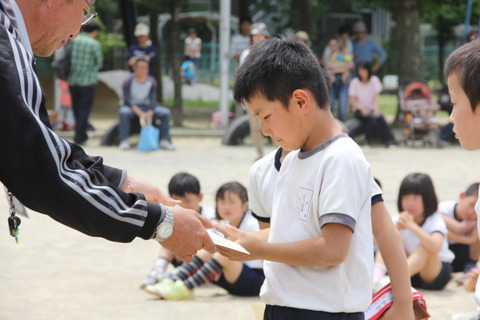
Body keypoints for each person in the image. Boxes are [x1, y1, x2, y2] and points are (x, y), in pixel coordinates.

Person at [0, 0, 214, 263]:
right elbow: (43, 171)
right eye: (84, 12)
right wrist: (159, 222)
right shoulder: (6, 51)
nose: (77, 30)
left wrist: (120, 181)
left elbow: (41, 147)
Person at [220, 37, 379, 319]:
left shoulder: (341, 158)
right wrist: (239, 238)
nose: (265, 130)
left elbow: (332, 249)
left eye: (266, 115)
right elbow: (290, 233)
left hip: (323, 312)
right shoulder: (292, 158)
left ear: (300, 100)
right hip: (283, 306)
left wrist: (259, 249)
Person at [145, 182, 264, 300]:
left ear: (245, 206)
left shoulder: (252, 224)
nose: (226, 207)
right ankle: (172, 280)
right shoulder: (225, 223)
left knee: (221, 252)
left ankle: (186, 287)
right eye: (222, 202)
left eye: (231, 202)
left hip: (255, 279)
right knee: (211, 246)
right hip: (232, 277)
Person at [375, 173, 454, 291]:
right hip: (411, 272)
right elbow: (375, 241)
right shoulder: (398, 219)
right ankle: (376, 277)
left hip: (434, 272)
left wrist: (412, 227)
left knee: (425, 247)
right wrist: (394, 230)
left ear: (427, 199)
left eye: (415, 198)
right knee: (386, 241)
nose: (410, 203)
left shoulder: (434, 219)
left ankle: (391, 281)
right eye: (406, 198)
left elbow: (436, 246)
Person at [140, 172, 216, 288]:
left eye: (187, 201)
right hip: (181, 256)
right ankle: (158, 270)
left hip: (200, 261)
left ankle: (177, 275)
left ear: (200, 197)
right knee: (168, 235)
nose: (183, 207)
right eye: (178, 202)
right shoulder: (174, 215)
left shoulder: (209, 214)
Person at [118, 58, 175, 150]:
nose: (143, 70)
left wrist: (150, 111)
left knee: (165, 113)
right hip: (132, 107)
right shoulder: (128, 81)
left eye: (145, 68)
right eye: (140, 67)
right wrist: (139, 112)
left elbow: (153, 99)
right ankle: (124, 140)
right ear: (134, 68)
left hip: (147, 107)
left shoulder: (152, 81)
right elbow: (127, 100)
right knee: (123, 112)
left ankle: (164, 140)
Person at [67, 20, 102, 145]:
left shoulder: (73, 41)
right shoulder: (94, 44)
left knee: (76, 109)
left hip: (72, 80)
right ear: (94, 31)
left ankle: (80, 134)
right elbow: (99, 62)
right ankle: (80, 136)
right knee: (84, 110)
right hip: (87, 82)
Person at [239, 22, 271, 160]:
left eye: (260, 35)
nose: (257, 38)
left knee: (275, 124)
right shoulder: (246, 53)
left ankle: (281, 152)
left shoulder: (272, 52)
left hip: (270, 94)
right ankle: (260, 153)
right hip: (252, 95)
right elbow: (242, 76)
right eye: (255, 35)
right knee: (255, 127)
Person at [349, 61, 396, 147]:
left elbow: (376, 97)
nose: (361, 73)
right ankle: (368, 141)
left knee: (381, 118)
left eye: (363, 71)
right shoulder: (355, 82)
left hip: (371, 109)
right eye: (360, 71)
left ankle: (389, 141)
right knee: (371, 119)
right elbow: (352, 101)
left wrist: (376, 109)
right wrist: (362, 109)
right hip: (359, 110)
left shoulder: (374, 80)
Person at [439, 182, 480, 273]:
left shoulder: (477, 216)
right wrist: (469, 240)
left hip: (464, 256)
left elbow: (473, 238)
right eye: (471, 204)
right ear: (462, 196)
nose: (471, 212)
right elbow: (446, 232)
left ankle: (471, 264)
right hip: (444, 253)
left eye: (476, 208)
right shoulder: (445, 208)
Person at [325, 37, 354, 122]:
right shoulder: (329, 55)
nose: (332, 46)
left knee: (343, 108)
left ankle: (344, 130)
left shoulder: (344, 55)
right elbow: (328, 66)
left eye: (334, 44)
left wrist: (335, 69)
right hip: (333, 82)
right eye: (330, 45)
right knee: (331, 106)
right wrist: (343, 68)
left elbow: (351, 66)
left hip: (343, 82)